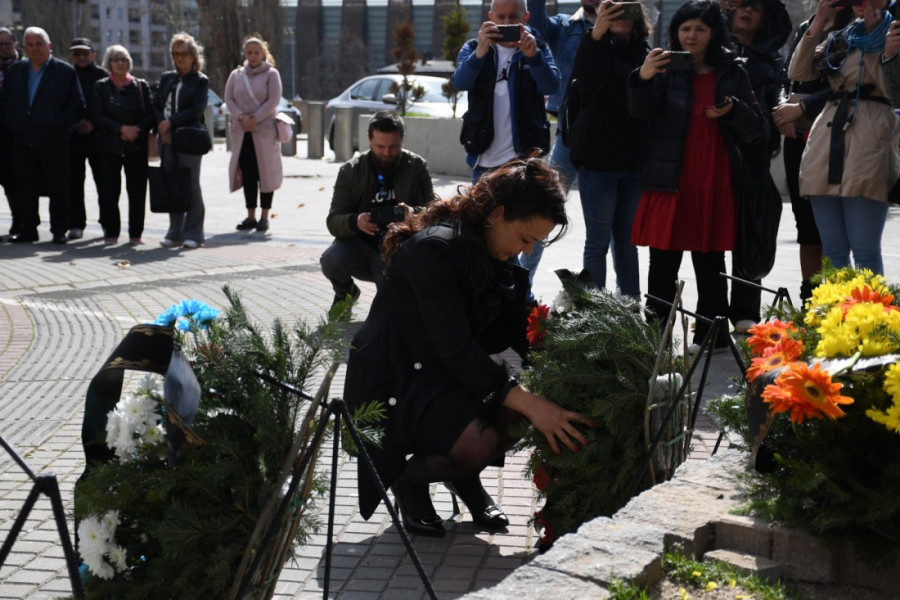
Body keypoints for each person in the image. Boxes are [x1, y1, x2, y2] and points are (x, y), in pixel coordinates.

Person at [344, 158, 591, 536]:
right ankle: (410, 481)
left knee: (517, 411)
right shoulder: (435, 250)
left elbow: (516, 326)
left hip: (440, 370)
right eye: (525, 239)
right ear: (497, 214)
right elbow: (455, 346)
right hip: (396, 379)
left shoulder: (492, 251)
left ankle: (464, 477)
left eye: (535, 244)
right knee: (482, 438)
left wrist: (568, 349)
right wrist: (530, 401)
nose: (526, 251)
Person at [628, 0, 763, 351]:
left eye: (699, 28)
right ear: (676, 32)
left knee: (711, 263)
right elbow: (639, 114)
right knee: (661, 265)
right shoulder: (662, 67)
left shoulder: (732, 69)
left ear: (713, 33)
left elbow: (756, 127)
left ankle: (712, 337)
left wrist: (733, 109)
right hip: (669, 178)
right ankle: (654, 341)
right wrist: (642, 77)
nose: (691, 35)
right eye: (685, 28)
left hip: (714, 177)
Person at [452, 0, 560, 303]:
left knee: (523, 232)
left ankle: (520, 297)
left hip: (522, 162)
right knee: (483, 234)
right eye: (500, 17)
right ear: (490, 18)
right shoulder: (475, 46)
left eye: (514, 17)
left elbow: (551, 83)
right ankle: (494, 296)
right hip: (485, 161)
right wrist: (481, 53)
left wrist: (533, 57)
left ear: (525, 17)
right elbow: (460, 81)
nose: (507, 22)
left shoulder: (537, 46)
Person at [787, 0, 900, 274]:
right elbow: (798, 73)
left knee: (865, 250)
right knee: (834, 252)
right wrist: (820, 19)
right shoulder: (842, 36)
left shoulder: (893, 32)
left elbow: (895, 93)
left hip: (871, 137)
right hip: (825, 141)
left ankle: (869, 316)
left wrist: (888, 52)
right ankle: (836, 316)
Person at [565, 0, 651, 297]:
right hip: (597, 162)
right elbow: (581, 83)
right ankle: (594, 315)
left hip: (633, 164)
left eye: (628, 10)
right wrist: (596, 33)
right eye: (612, 10)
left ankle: (630, 310)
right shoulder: (595, 47)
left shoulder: (645, 52)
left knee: (628, 243)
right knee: (597, 242)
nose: (621, 17)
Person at [773, 1, 852, 304]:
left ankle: (839, 300)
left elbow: (848, 86)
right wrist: (783, 110)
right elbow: (787, 75)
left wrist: (801, 108)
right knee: (805, 225)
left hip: (836, 135)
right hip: (799, 137)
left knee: (835, 229)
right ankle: (811, 299)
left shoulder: (854, 30)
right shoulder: (809, 27)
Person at [723, 0, 791, 332]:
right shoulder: (713, 50)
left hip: (754, 156)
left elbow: (779, 96)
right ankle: (713, 310)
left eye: (756, 7)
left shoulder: (771, 62)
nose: (747, 11)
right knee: (709, 235)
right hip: (715, 152)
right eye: (741, 5)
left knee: (751, 230)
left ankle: (745, 310)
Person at [320, 111, 433, 308]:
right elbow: (333, 220)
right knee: (331, 260)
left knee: (389, 295)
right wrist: (355, 221)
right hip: (362, 246)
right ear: (368, 139)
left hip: (400, 247)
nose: (387, 153)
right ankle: (346, 292)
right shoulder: (350, 171)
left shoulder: (416, 166)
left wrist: (414, 214)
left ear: (402, 139)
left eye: (393, 147)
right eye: (380, 146)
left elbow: (436, 212)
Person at [0, 26, 84, 244]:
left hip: (54, 140)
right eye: (30, 44)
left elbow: (76, 107)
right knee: (24, 187)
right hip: (22, 139)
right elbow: (5, 104)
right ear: (24, 47)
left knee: (58, 187)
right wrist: (14, 124)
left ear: (50, 46)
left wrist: (57, 124)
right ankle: (29, 230)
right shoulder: (15, 71)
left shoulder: (65, 72)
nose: (35, 49)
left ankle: (59, 230)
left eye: (39, 44)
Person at [528, 0, 599, 189]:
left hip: (605, 125)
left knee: (600, 203)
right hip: (570, 124)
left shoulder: (620, 28)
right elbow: (536, 28)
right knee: (551, 194)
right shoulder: (565, 25)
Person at [90, 45, 154, 245]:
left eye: (124, 59)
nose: (120, 63)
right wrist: (120, 129)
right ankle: (111, 232)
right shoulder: (100, 86)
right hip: (109, 147)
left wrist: (136, 129)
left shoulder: (141, 85)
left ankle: (136, 233)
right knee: (109, 191)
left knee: (137, 191)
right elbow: (97, 115)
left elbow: (151, 113)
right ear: (109, 63)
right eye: (116, 59)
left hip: (136, 145)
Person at [154, 32, 209, 249]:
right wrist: (161, 123)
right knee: (171, 184)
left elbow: (196, 109)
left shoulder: (200, 81)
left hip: (188, 139)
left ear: (193, 56)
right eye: (176, 54)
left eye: (184, 54)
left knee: (191, 185)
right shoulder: (167, 78)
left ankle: (194, 232)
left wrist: (171, 123)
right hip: (165, 139)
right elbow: (157, 104)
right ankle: (174, 231)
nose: (180, 58)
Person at [224, 35, 283, 234]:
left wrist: (254, 118)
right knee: (248, 174)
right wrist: (242, 117)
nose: (253, 56)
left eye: (256, 52)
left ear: (263, 53)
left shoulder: (271, 74)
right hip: (242, 133)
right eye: (249, 52)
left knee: (266, 173)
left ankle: (264, 217)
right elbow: (229, 99)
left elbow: (273, 100)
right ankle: (250, 216)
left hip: (264, 131)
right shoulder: (236, 75)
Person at [67, 37, 107, 241]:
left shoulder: (103, 76)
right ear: (71, 56)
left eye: (85, 53)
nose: (82, 57)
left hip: (99, 138)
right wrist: (75, 123)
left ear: (94, 55)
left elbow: (107, 106)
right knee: (74, 184)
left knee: (104, 184)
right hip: (73, 138)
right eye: (77, 54)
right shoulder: (66, 74)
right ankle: (75, 224)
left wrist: (93, 123)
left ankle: (108, 223)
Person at [0, 28, 20, 240]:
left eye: (7, 43)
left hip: (17, 133)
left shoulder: (24, 67)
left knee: (16, 181)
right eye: (0, 45)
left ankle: (20, 220)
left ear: (15, 44)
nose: (4, 48)